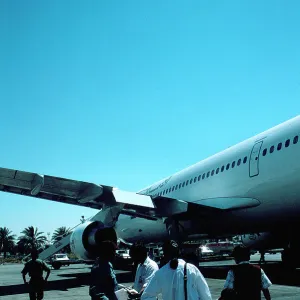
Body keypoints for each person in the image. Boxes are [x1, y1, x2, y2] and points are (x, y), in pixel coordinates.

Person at [141, 240, 212, 300]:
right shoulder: (192, 269)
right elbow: (205, 295)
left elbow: (147, 296)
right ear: (179, 252)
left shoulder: (161, 273)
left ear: (165, 254)